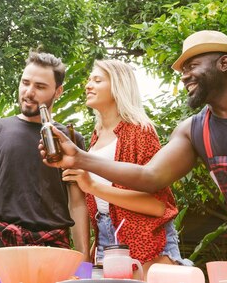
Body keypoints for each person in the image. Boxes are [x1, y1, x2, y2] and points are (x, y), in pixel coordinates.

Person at [43, 30, 227, 276]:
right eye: (182, 70)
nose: (184, 76)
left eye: (192, 66)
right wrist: (80, 159)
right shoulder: (193, 132)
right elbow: (150, 176)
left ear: (223, 63)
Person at [0, 51, 90, 283]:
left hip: (53, 250)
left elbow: (77, 204)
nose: (29, 92)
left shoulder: (69, 139)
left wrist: (84, 263)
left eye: (40, 86)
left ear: (57, 92)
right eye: (25, 83)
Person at [63, 59, 191, 279]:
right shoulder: (95, 138)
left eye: (97, 80)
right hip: (107, 241)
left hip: (146, 238)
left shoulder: (140, 130)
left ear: (117, 86)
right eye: (89, 80)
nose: (88, 85)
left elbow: (157, 206)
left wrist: (92, 186)